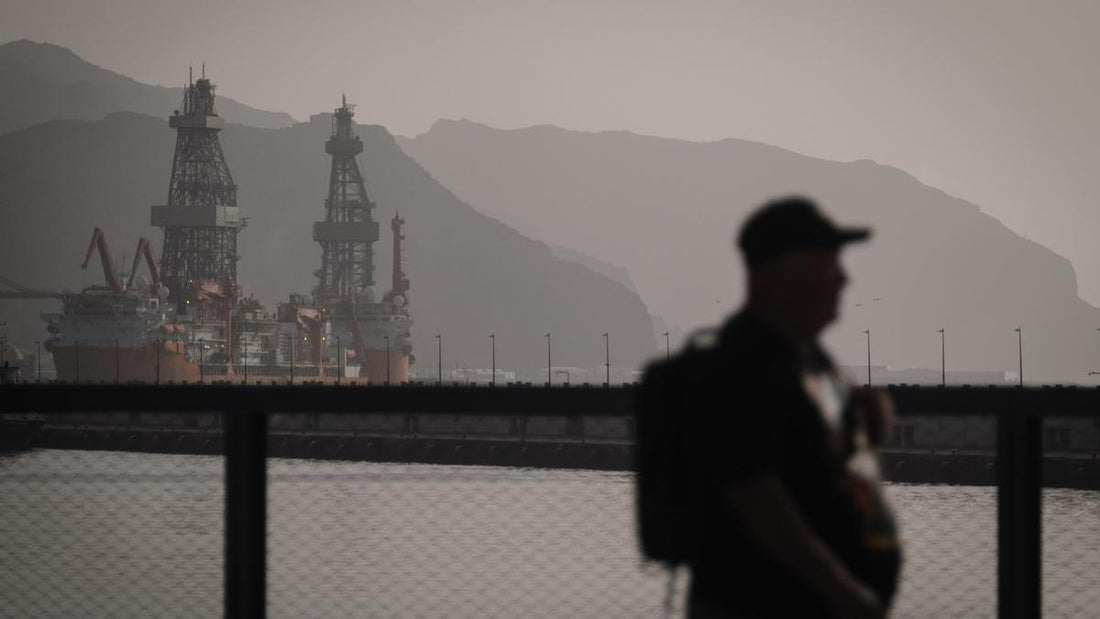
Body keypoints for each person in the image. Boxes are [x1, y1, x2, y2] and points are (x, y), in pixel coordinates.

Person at [687, 196, 901, 618]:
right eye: (828, 263)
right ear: (783, 271)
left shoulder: (806, 359)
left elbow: (818, 462)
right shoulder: (745, 365)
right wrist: (843, 591)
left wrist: (872, 423)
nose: (843, 280)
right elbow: (755, 496)